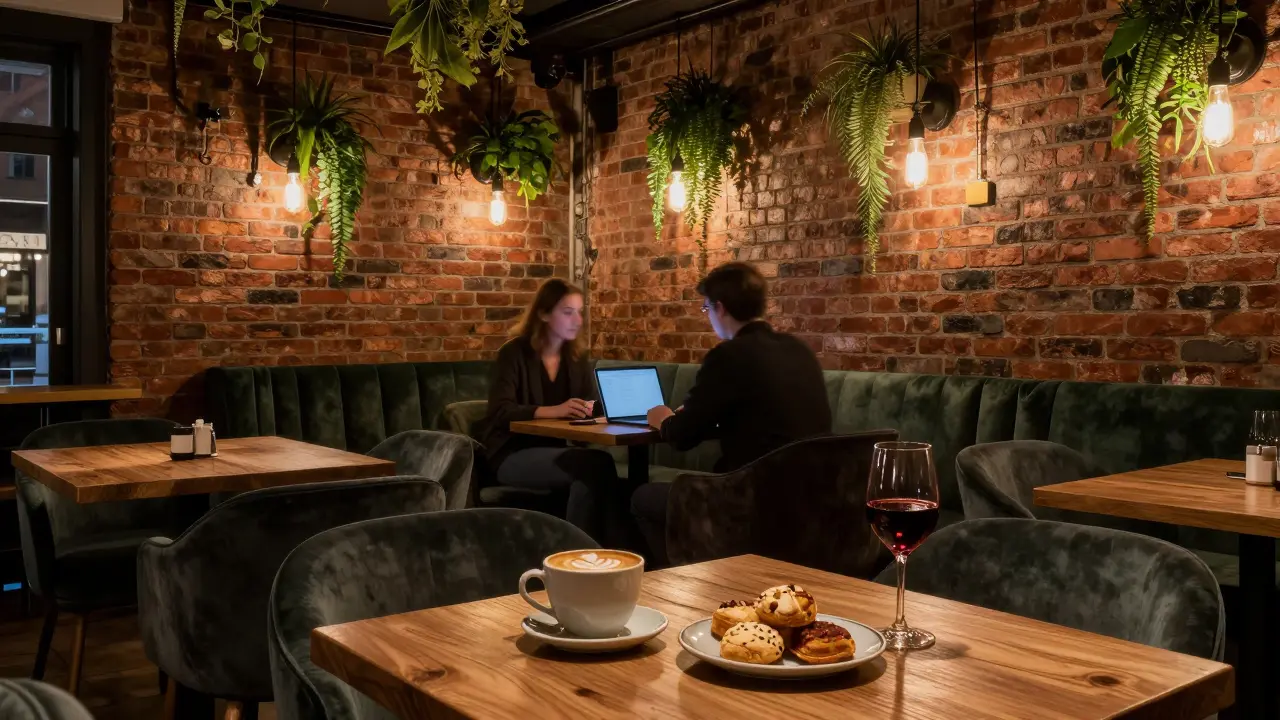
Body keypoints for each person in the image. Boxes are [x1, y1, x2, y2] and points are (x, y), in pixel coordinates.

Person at [631, 262, 833, 563]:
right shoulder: (798, 350)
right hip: (811, 499)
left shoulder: (728, 356)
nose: (708, 316)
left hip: (749, 499)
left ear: (720, 308)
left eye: (706, 309)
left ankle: (688, 582)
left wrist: (663, 418)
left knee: (641, 498)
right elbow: (761, 421)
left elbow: (683, 436)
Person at [475, 278, 621, 542]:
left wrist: (593, 409)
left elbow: (589, 403)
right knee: (592, 467)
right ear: (543, 314)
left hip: (559, 449)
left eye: (579, 312)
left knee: (599, 466)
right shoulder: (514, 353)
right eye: (567, 312)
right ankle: (578, 553)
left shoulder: (576, 359)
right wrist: (556, 410)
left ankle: (611, 552)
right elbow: (501, 411)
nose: (577, 320)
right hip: (510, 454)